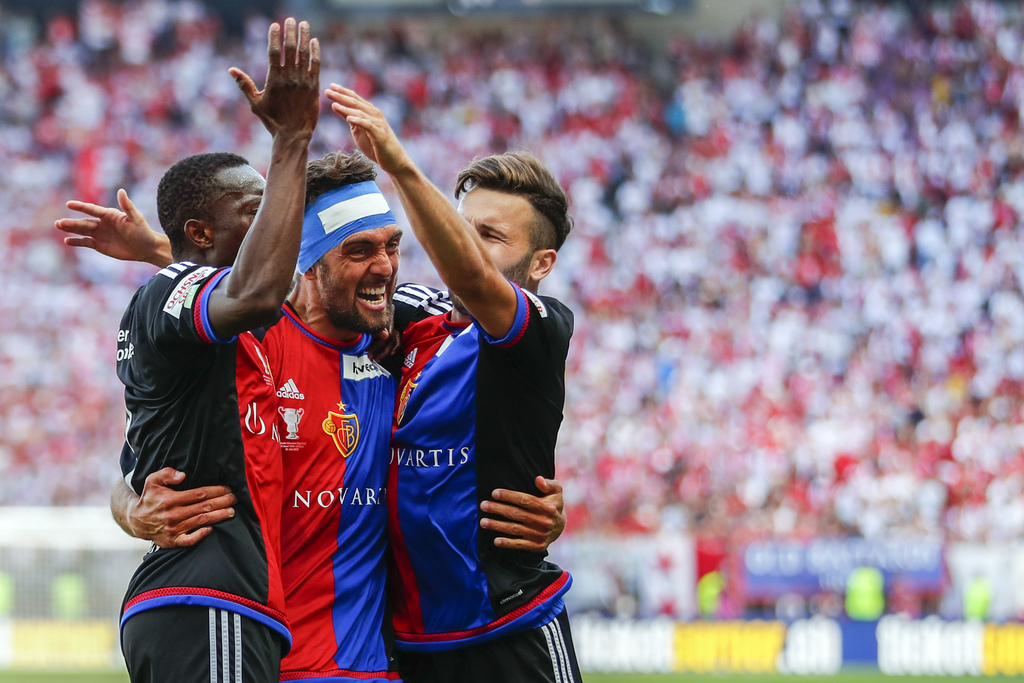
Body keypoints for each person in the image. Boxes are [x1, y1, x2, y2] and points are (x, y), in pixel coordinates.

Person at [59, 152, 567, 683]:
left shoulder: (397, 341)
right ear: (308, 261)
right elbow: (147, 454)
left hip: (373, 664)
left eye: (394, 246)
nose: (387, 267)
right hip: (265, 653)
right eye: (359, 249)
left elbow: (503, 395)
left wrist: (540, 495)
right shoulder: (248, 343)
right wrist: (132, 507)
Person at [326, 85, 582, 683]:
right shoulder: (414, 319)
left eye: (489, 236)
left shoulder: (540, 330)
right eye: (461, 228)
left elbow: (468, 274)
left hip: (510, 627)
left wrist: (397, 162)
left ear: (540, 263)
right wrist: (164, 254)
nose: (467, 245)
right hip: (408, 643)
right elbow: (304, 300)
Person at [102, 17, 320, 683]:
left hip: (207, 600)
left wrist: (131, 505)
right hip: (208, 596)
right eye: (252, 212)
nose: (277, 223)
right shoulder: (178, 291)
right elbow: (253, 291)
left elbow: (137, 471)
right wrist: (290, 141)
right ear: (200, 231)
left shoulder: (199, 332)